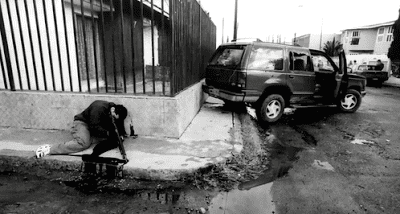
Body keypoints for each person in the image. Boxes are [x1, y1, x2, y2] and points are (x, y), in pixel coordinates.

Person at [35, 100, 128, 158]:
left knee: (110, 139)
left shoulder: (116, 111)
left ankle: (87, 138)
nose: (115, 120)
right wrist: (108, 133)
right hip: (83, 124)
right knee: (83, 143)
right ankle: (49, 149)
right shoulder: (98, 108)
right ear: (113, 110)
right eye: (115, 117)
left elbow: (118, 125)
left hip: (94, 128)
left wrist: (121, 134)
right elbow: (94, 128)